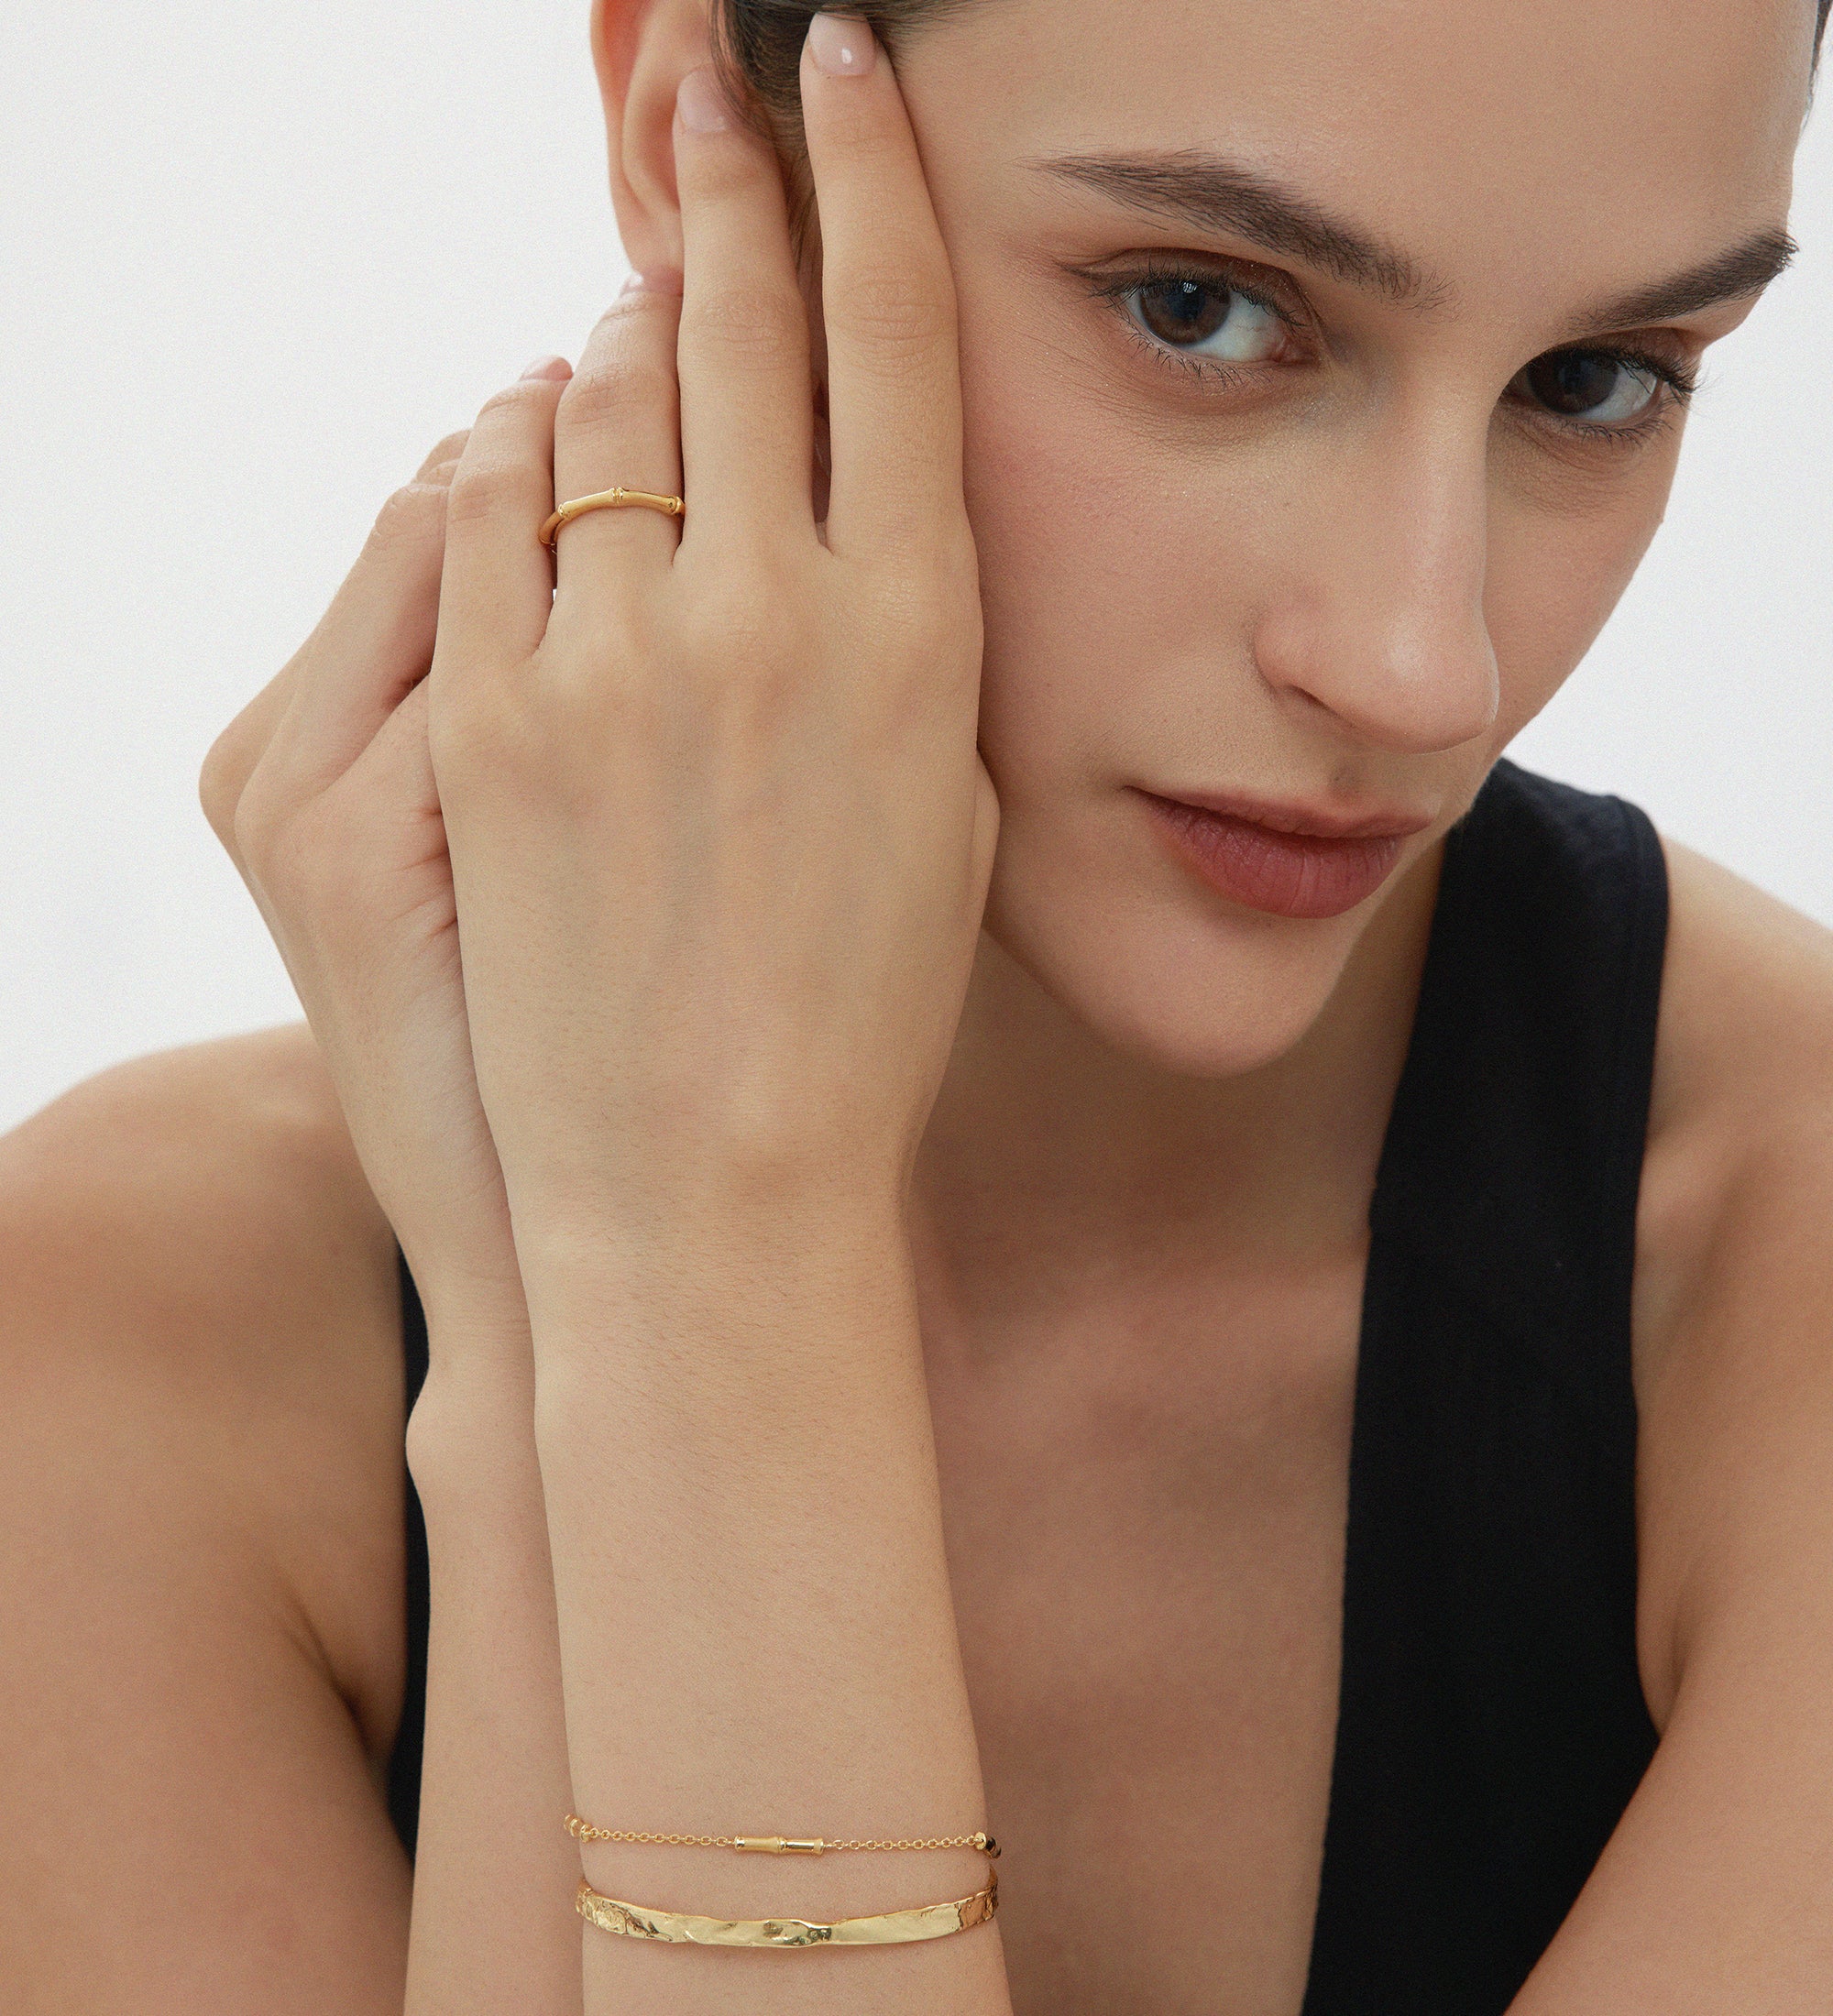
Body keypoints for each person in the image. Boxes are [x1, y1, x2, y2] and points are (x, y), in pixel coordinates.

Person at [4, 0, 1831, 2010]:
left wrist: (697, 1264)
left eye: (1594, 380)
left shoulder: (1787, 1270)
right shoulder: (117, 1354)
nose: (1420, 668)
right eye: (1201, 309)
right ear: (688, 124)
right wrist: (580, 1333)